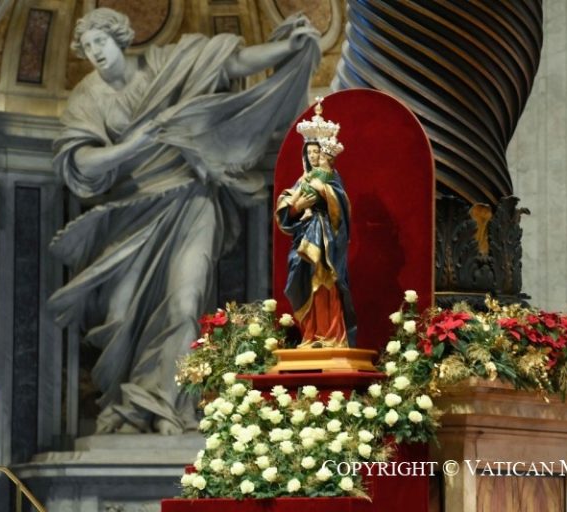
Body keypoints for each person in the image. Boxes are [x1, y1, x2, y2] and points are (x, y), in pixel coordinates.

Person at [48, 8, 320, 434]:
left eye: (100, 41)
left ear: (120, 37)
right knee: (119, 317)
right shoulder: (89, 95)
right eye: (87, 46)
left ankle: (168, 406)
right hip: (130, 215)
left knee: (185, 304)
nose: (95, 52)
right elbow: (80, 161)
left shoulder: (166, 64)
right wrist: (135, 144)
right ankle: (129, 406)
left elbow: (231, 61)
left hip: (192, 202)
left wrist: (288, 47)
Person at [275, 102, 357, 348]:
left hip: (327, 240)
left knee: (325, 284)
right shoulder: (302, 180)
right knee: (302, 280)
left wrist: (324, 192)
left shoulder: (331, 178)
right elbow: (286, 209)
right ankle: (310, 334)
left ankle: (331, 336)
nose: (312, 156)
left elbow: (341, 204)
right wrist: (297, 207)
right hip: (303, 238)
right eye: (309, 152)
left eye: (316, 152)